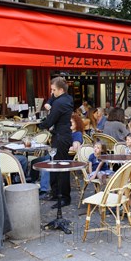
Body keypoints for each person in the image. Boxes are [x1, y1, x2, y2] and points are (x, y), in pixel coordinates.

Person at [38, 77, 74, 207]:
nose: (51, 93)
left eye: (53, 90)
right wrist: (49, 102)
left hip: (60, 137)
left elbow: (50, 121)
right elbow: (53, 99)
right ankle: (56, 193)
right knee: (56, 164)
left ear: (61, 90)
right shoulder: (67, 98)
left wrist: (39, 125)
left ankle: (64, 197)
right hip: (63, 135)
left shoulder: (60, 104)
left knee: (61, 167)